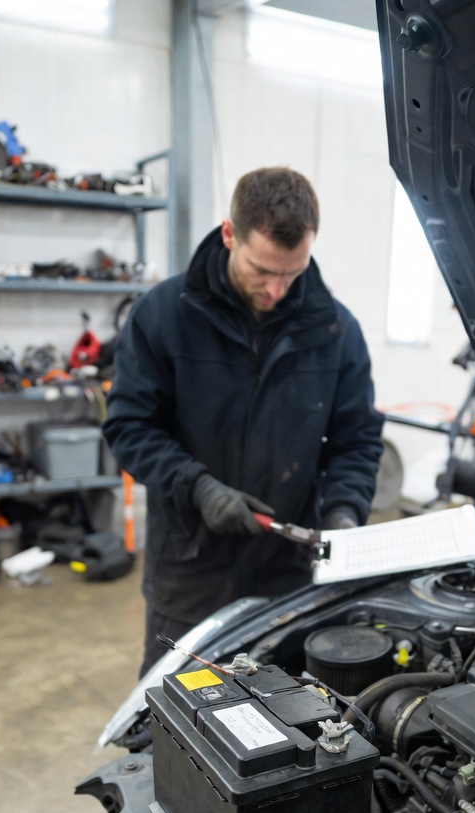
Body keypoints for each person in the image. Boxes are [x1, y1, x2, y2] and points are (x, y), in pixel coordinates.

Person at [103, 166, 383, 674]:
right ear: (229, 234)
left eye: (292, 273)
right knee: (170, 729)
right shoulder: (162, 316)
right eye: (262, 270)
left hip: (289, 572)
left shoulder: (336, 330)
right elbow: (129, 427)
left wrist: (343, 513)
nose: (277, 290)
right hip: (189, 574)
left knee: (291, 730)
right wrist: (198, 487)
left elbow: (357, 440)